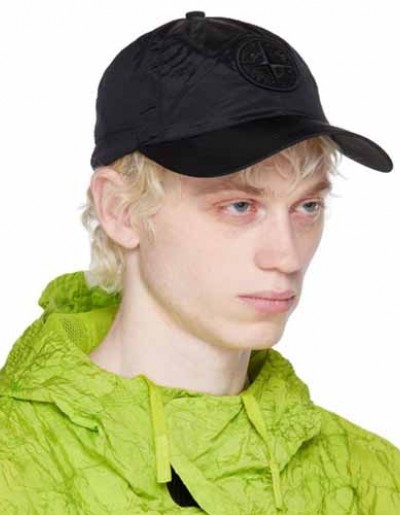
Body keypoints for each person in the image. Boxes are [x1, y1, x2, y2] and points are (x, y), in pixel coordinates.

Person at [0, 11, 399, 514]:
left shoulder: (374, 478)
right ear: (121, 210)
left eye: (307, 206)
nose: (287, 255)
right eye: (240, 206)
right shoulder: (15, 463)